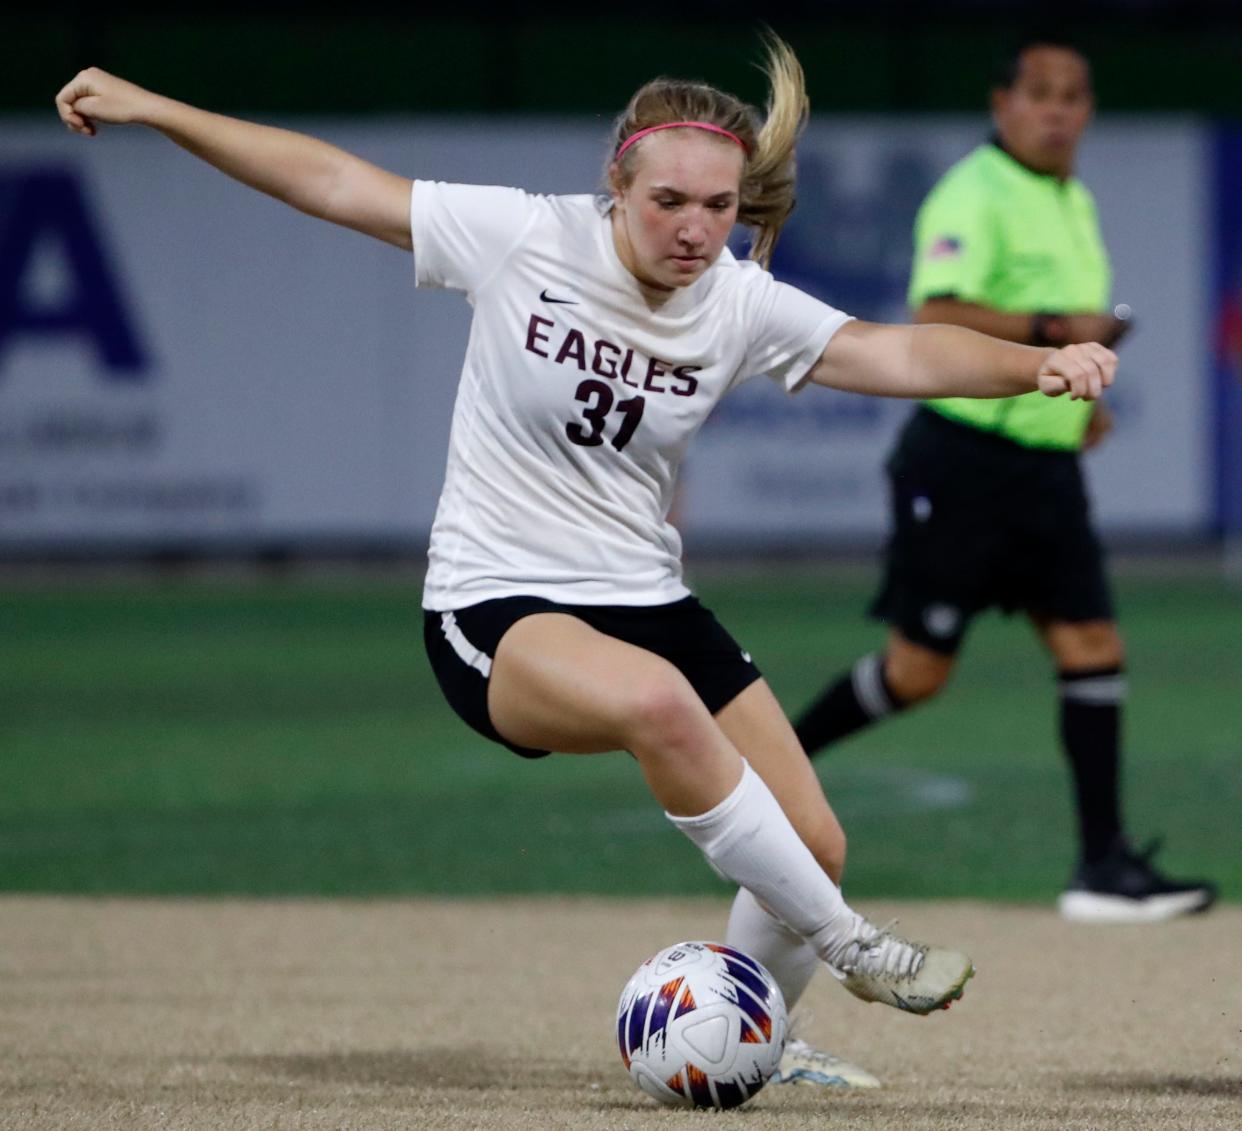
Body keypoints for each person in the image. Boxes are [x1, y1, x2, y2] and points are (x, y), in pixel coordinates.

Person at [55, 36, 1115, 1094]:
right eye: (669, 202)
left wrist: (1040, 365)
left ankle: (756, 1044)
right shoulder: (523, 236)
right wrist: (161, 107)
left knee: (812, 841)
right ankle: (858, 951)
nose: (696, 228)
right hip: (497, 604)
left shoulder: (736, 300)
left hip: (646, 598)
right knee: (661, 709)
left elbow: (896, 350)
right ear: (616, 183)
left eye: (719, 206)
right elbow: (332, 182)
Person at [793, 35, 1216, 926]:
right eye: (1042, 92)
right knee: (917, 673)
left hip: (1044, 469)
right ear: (1004, 105)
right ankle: (765, 772)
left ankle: (1101, 866)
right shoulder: (971, 193)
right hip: (962, 460)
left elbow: (1058, 350)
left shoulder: (1073, 198)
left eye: (1075, 94)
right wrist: (1055, 324)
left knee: (1093, 647)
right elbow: (934, 313)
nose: (1059, 110)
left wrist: (1077, 402)